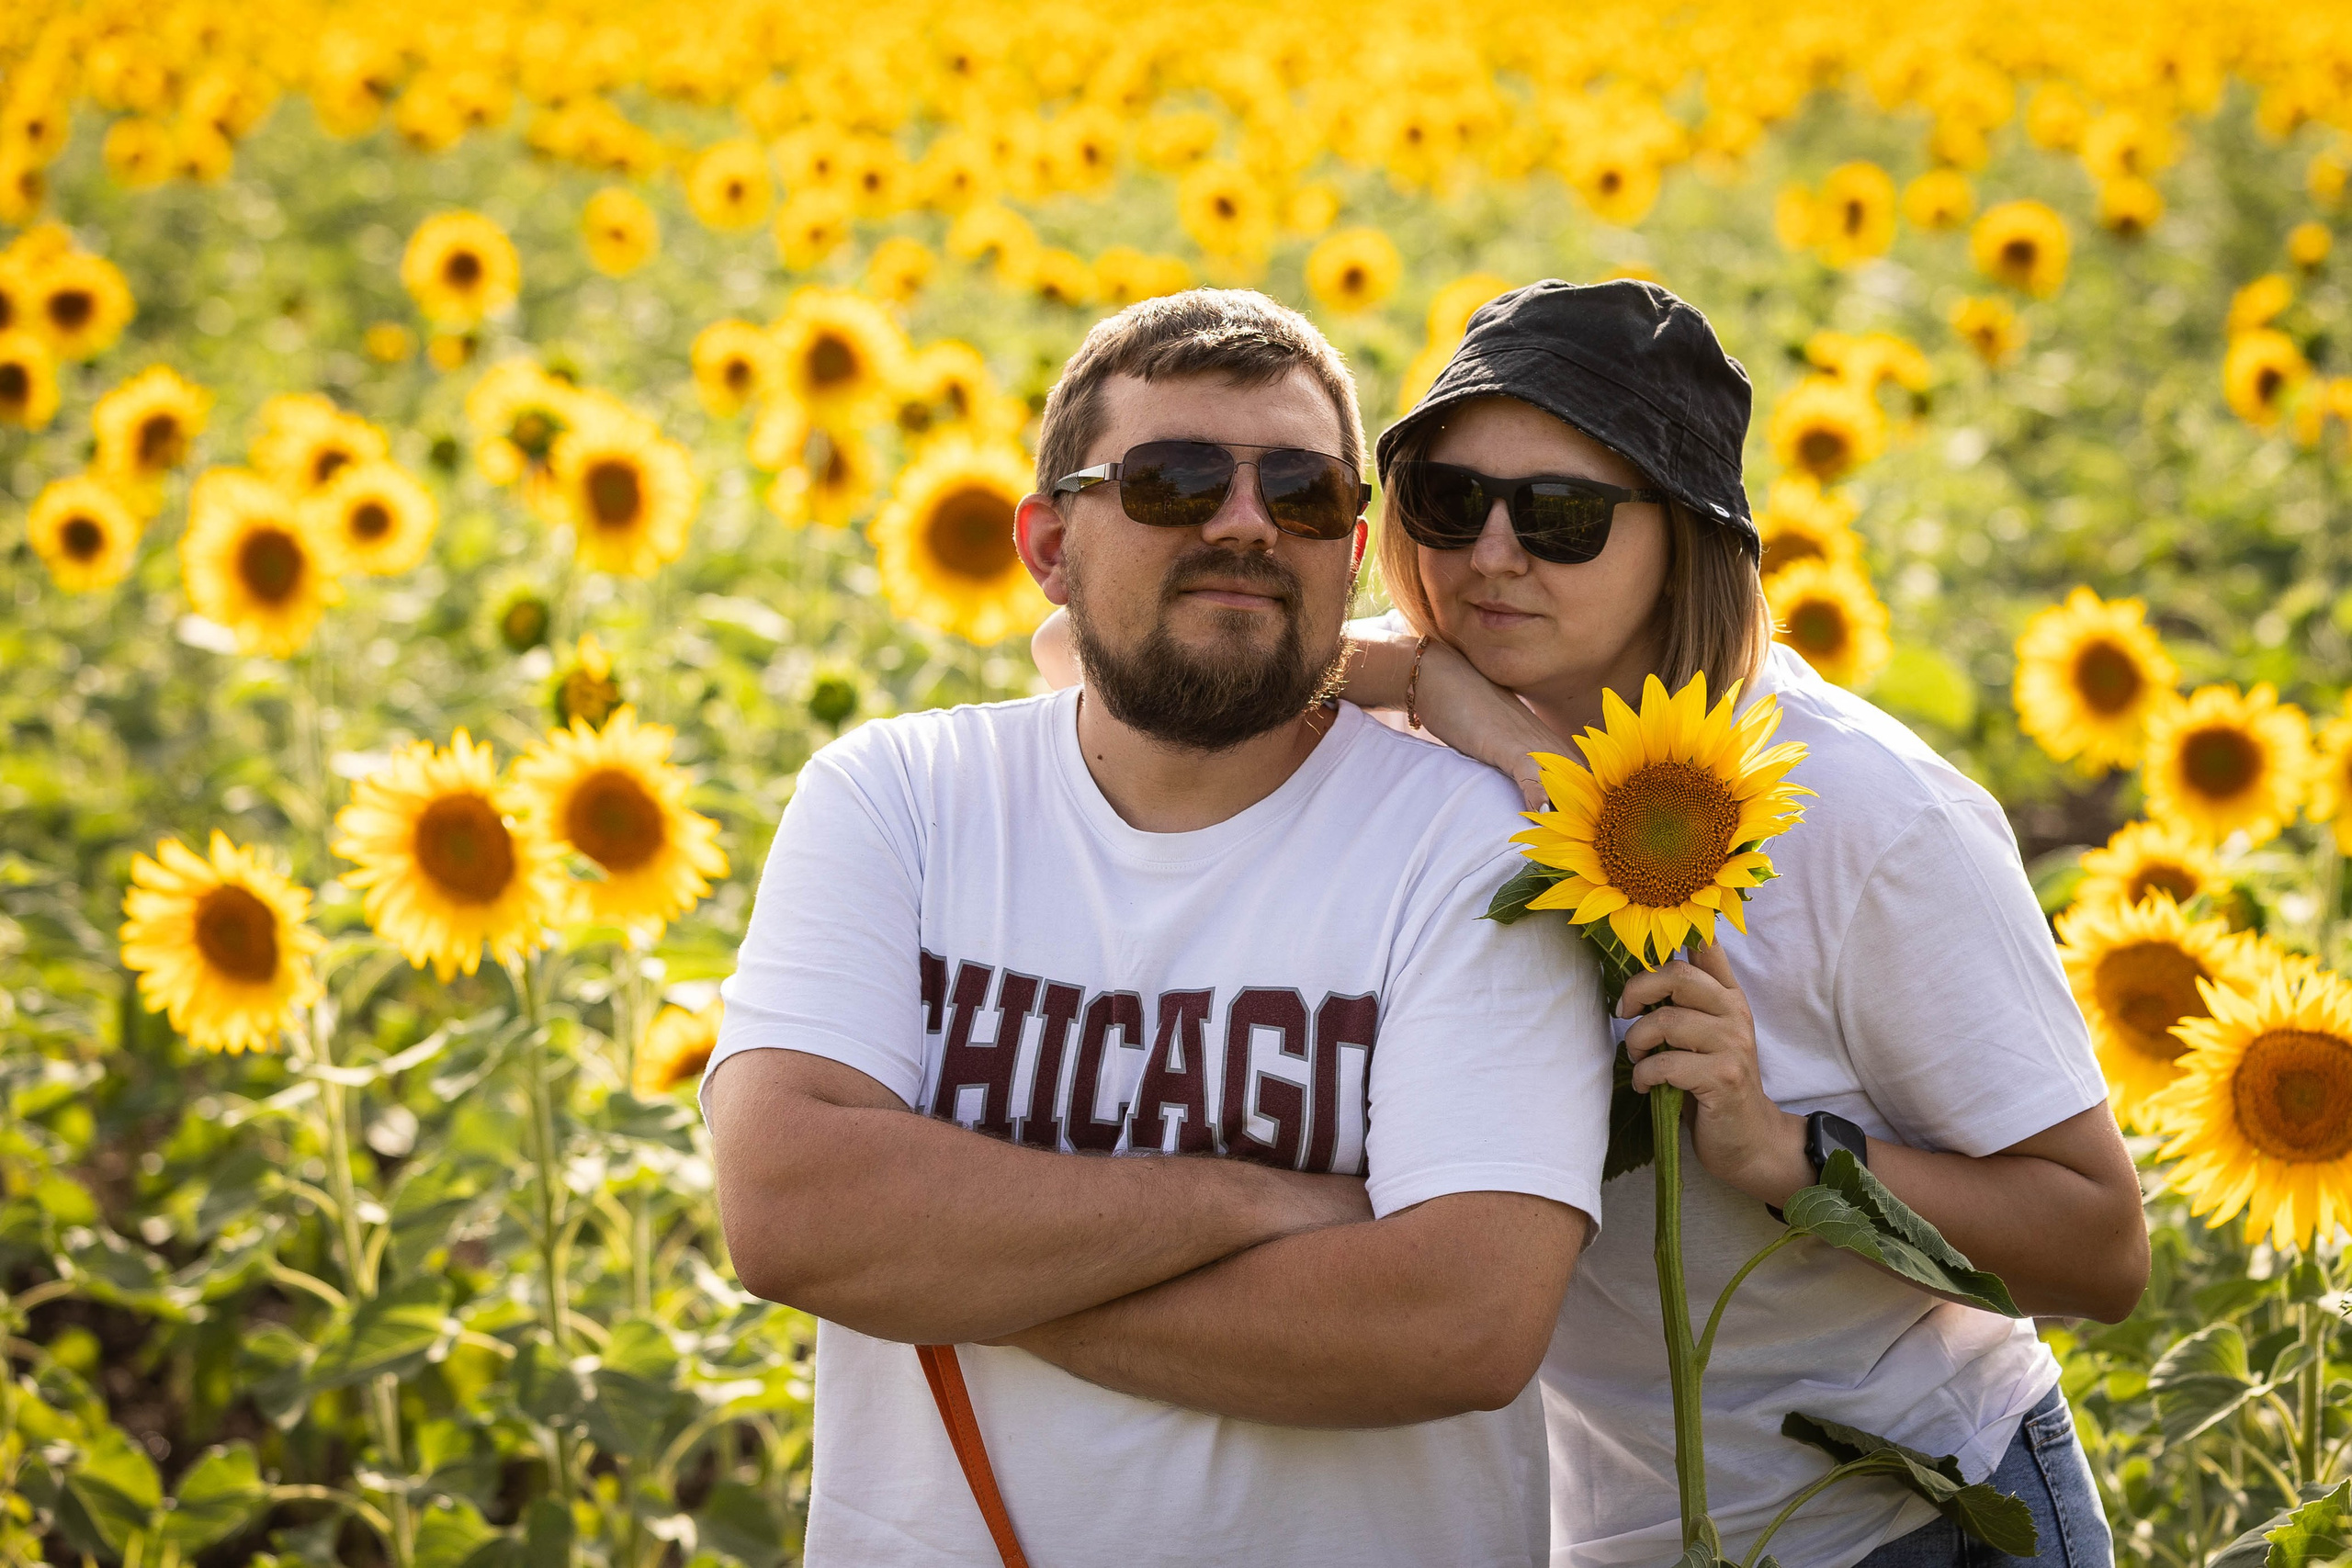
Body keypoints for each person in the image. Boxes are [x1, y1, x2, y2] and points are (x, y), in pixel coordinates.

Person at [1037, 279, 2149, 1568]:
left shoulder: (1860, 814)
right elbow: (1081, 652)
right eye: (1450, 504)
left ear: (1686, 537)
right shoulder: (1433, 741)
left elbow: (2099, 1248)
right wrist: (1472, 711)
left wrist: (1780, 1151)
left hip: (1900, 1513)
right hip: (1615, 1529)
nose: (1492, 558)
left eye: (1562, 517)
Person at [703, 288, 1614, 1568]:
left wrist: (953, 1264)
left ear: (1349, 554)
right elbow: (794, 1214)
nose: (1244, 522)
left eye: (1301, 492)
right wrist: (1259, 1201)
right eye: (1173, 480)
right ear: (1046, 546)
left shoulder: (1473, 850)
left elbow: (1458, 1322)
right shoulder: (899, 800)